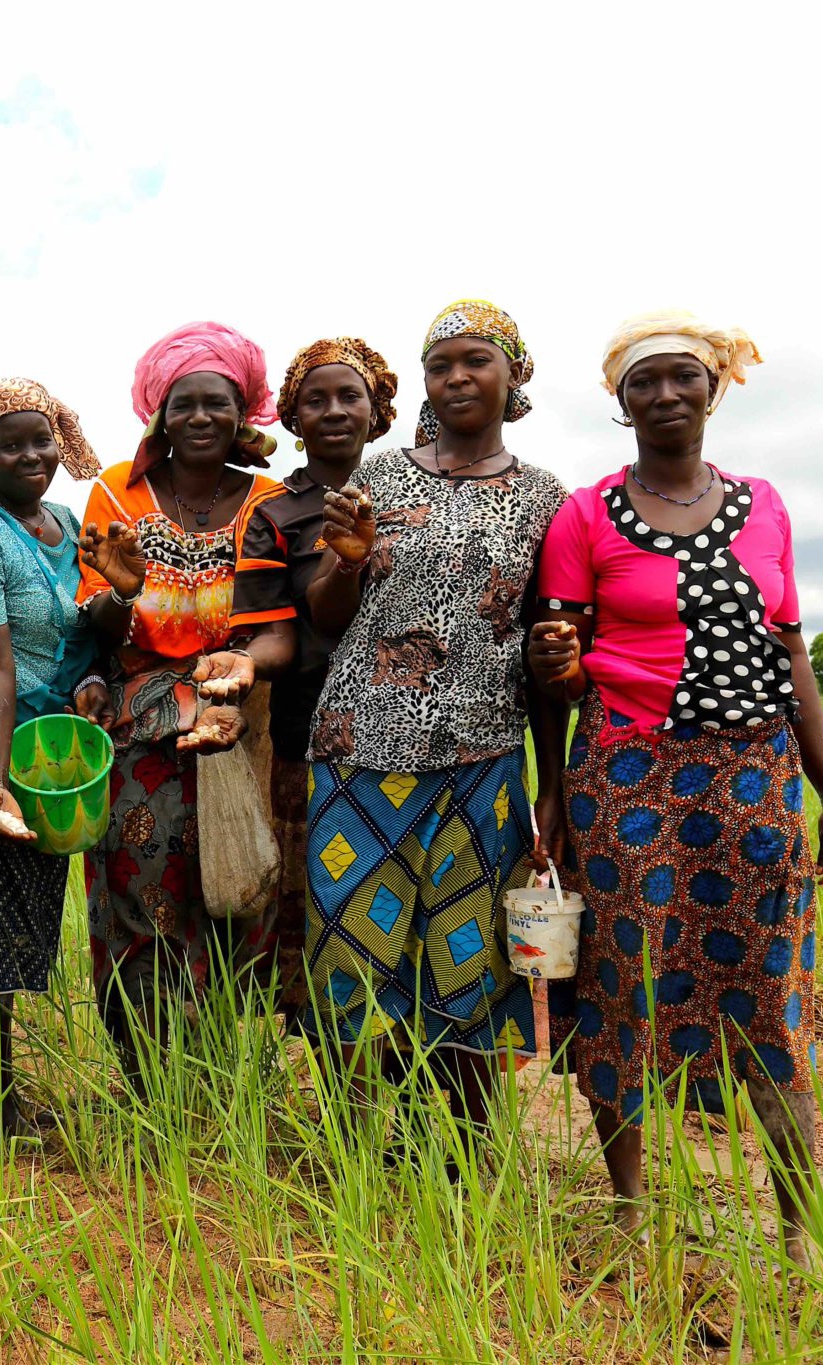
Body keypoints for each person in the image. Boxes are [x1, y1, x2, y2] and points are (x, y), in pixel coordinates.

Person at [530, 311, 817, 1268]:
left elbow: (792, 658)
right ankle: (628, 1210)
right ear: (618, 404)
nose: (664, 395)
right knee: (627, 986)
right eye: (642, 383)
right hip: (627, 778)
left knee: (772, 997)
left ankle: (800, 1226)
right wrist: (556, 673)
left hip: (755, 781)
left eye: (682, 378)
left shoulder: (770, 503)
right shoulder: (585, 513)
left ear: (713, 390)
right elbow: (559, 670)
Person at [302, 299, 563, 1129]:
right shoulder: (378, 474)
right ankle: (353, 1147)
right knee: (349, 950)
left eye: (475, 360)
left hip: (482, 755)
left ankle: (463, 1151)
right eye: (441, 365)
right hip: (361, 747)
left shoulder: (544, 498)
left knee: (470, 960)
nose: (457, 377)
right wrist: (345, 565)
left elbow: (545, 654)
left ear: (513, 374)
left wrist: (549, 784)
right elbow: (325, 613)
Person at [75, 322, 298, 1089]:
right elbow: (96, 616)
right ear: (159, 415)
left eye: (217, 405)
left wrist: (235, 673)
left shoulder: (273, 499)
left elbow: (281, 625)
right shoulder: (116, 490)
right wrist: (125, 590)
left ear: (243, 417)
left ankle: (223, 1076)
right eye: (183, 405)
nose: (200, 418)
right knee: (145, 891)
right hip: (143, 711)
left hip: (246, 713)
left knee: (239, 894)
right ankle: (151, 1080)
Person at [0, 377, 122, 1135]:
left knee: (25, 919)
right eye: (7, 443)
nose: (29, 455)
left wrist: (118, 604)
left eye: (39, 439)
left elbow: (87, 630)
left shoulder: (67, 520)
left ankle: (0, 1091)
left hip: (55, 746)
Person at [253, 339, 399, 1017]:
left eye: (351, 396)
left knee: (393, 912)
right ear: (292, 416)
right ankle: (334, 1084)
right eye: (317, 398)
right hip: (307, 740)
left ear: (379, 411)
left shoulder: (413, 491)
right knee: (311, 908)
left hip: (410, 740)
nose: (334, 410)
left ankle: (402, 1078)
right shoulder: (275, 514)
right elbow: (277, 633)